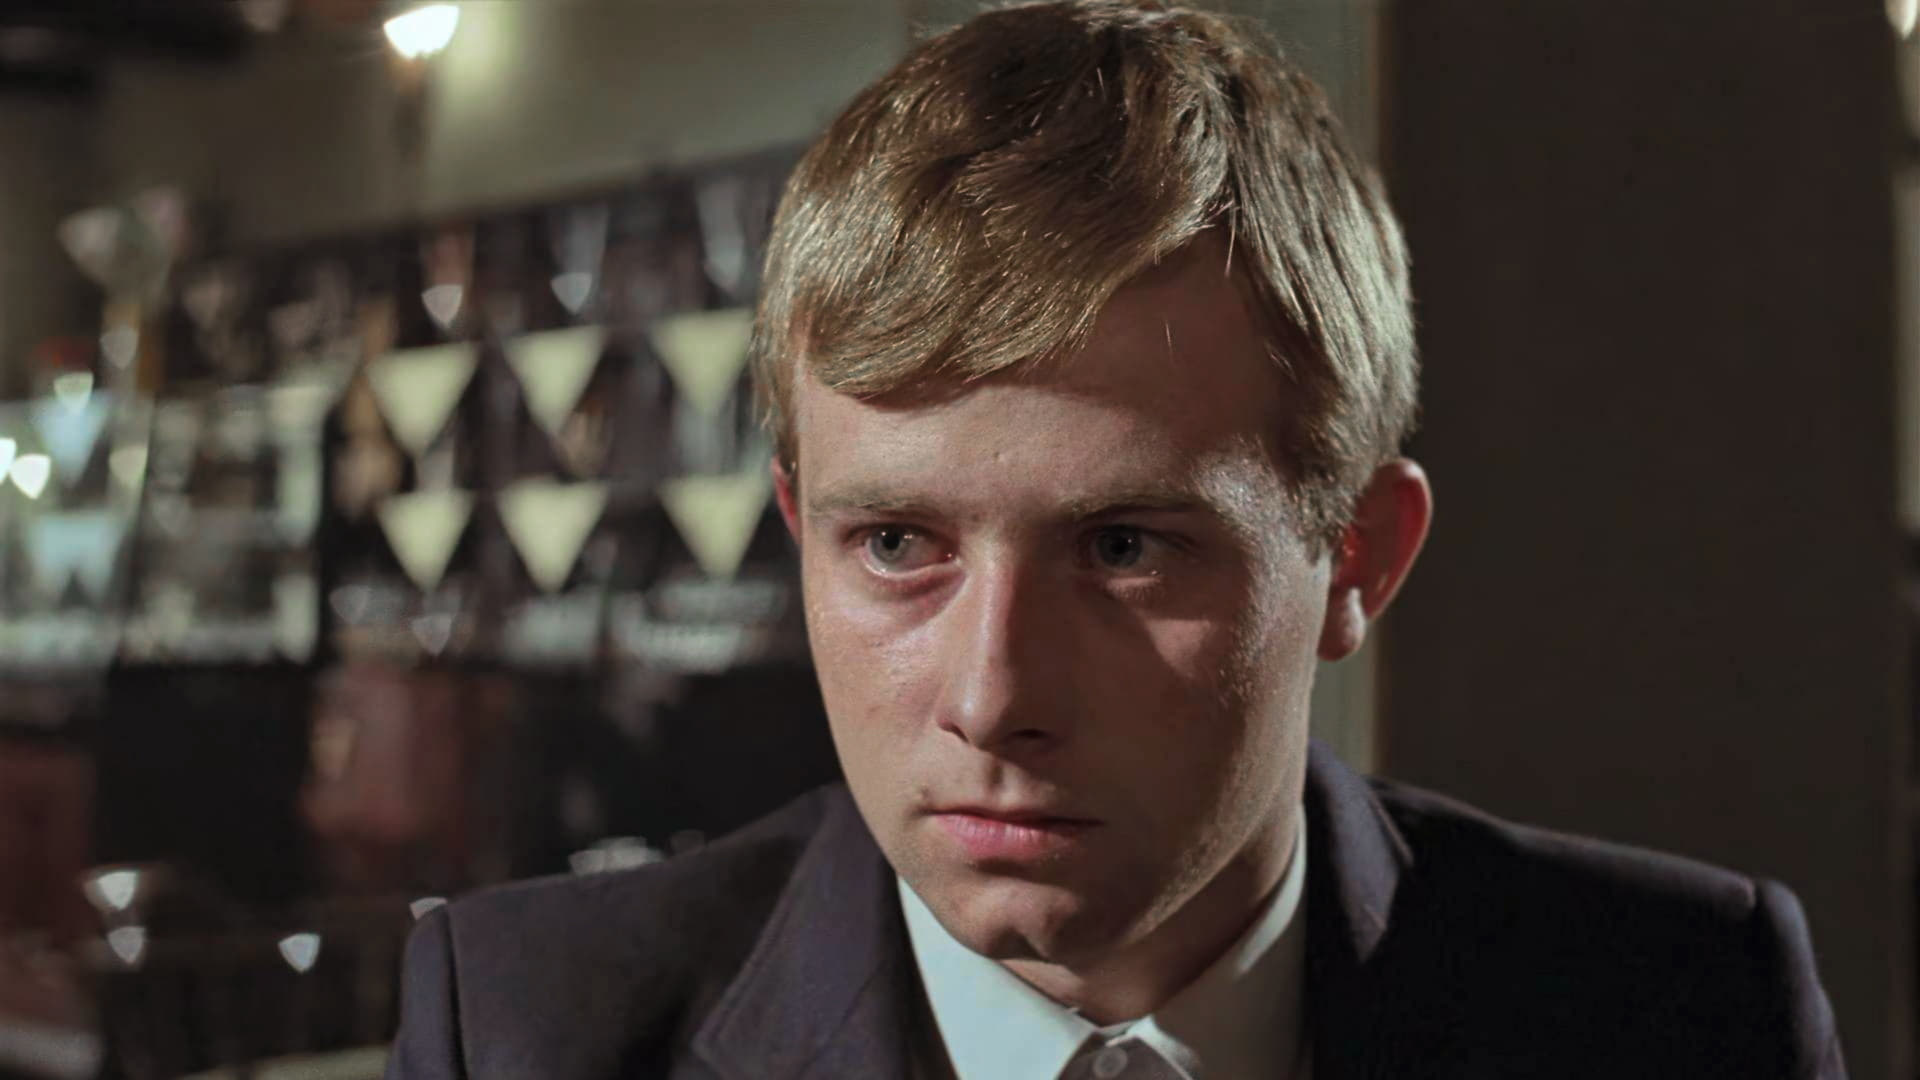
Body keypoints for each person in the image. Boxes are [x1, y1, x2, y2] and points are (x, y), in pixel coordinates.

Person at [385, 2, 1845, 1077]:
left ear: (1358, 555)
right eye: (894, 544)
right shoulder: (520, 1030)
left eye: (1127, 550)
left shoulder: (1679, 1008)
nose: (992, 696)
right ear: (795, 528)